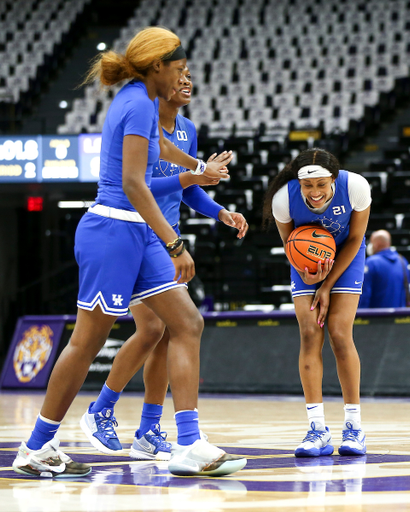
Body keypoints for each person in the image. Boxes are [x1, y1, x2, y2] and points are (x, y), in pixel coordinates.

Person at [12, 27, 247, 478]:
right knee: (87, 342)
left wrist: (200, 171)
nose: (184, 75)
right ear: (157, 66)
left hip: (137, 234)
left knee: (185, 323)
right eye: (179, 67)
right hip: (114, 233)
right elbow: (134, 185)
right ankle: (37, 445)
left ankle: (190, 442)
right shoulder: (137, 101)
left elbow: (160, 147)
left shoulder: (145, 103)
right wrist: (175, 243)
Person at [80, 65, 248, 460]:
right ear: (162, 82)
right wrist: (193, 176)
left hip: (165, 237)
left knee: (169, 331)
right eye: (181, 75)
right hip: (138, 233)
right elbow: (141, 185)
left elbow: (189, 192)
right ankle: (102, 408)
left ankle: (149, 428)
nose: (187, 81)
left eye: (191, 76)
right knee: (155, 327)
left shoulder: (187, 129)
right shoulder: (142, 119)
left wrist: (220, 211)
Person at [262, 148, 371, 457]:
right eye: (308, 186)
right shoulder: (284, 199)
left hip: (346, 256)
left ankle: (354, 427)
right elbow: (288, 244)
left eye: (321, 184)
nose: (315, 192)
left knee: (338, 332)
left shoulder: (356, 188)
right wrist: (308, 276)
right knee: (310, 332)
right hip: (306, 262)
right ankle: (317, 430)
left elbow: (354, 238)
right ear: (298, 183)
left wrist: (327, 285)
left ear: (332, 180)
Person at [359, 229, 410, 308]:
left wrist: (360, 316)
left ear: (377, 244)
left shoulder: (371, 263)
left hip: (374, 317)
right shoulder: (403, 261)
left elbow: (365, 294)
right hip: (400, 317)